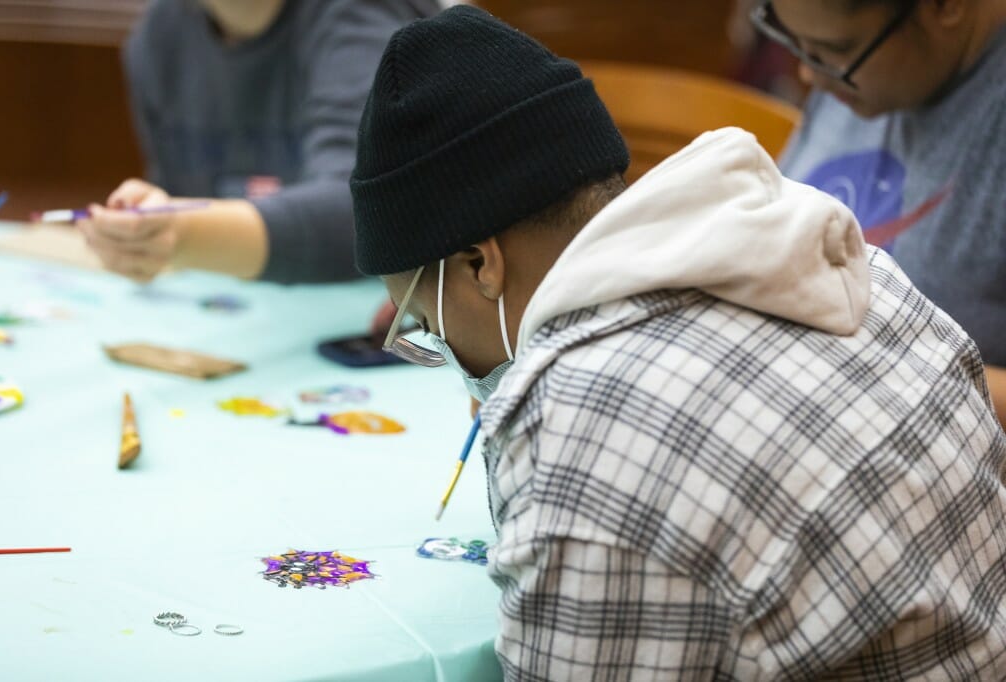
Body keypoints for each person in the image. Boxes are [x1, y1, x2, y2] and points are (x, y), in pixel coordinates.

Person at [352, 6, 1006, 679]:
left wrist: (540, 424)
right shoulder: (858, 269)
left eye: (425, 326)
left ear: (480, 264)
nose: (444, 356)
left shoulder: (577, 433)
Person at [758, 0, 1006, 424]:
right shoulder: (857, 76)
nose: (808, 75)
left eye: (833, 49)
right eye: (795, 43)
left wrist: (868, 355)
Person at [77, 0, 436, 284]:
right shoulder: (159, 35)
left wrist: (181, 234)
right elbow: (169, 192)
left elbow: (369, 211)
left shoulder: (365, 16)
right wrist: (148, 233)